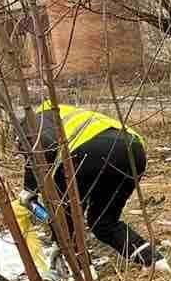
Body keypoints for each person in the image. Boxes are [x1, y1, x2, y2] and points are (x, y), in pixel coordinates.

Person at [16, 99, 160, 271]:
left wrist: (29, 188)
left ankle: (84, 274)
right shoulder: (62, 112)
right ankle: (154, 262)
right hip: (133, 150)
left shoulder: (33, 122)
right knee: (103, 223)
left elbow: (40, 149)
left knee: (67, 217)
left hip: (87, 152)